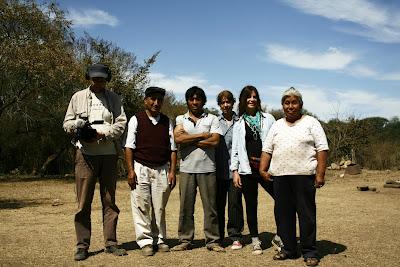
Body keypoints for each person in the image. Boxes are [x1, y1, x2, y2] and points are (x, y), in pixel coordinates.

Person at [63, 63, 128, 261]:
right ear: (89, 78)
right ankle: (82, 245)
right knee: (83, 202)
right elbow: (66, 123)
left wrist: (104, 134)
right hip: (85, 155)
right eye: (95, 78)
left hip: (108, 154)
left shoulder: (114, 98)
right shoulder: (78, 97)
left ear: (107, 79)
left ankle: (111, 243)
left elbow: (121, 122)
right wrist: (80, 127)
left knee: (109, 201)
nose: (98, 82)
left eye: (102, 79)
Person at [259, 87, 329, 267]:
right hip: (280, 177)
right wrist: (262, 169)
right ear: (283, 105)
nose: (290, 106)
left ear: (301, 104)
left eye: (294, 102)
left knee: (306, 214)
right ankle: (289, 249)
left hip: (304, 176)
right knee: (283, 215)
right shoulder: (277, 125)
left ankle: (310, 251)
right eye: (287, 102)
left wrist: (320, 174)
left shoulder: (311, 122)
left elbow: (322, 148)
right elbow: (267, 149)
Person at [124, 86, 177, 256]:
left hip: (162, 168)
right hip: (141, 167)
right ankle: (146, 241)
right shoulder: (136, 119)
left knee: (160, 207)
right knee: (141, 205)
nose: (156, 103)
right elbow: (129, 147)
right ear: (145, 100)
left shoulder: (167, 121)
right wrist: (131, 171)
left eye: (159, 100)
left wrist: (172, 171)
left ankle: (160, 239)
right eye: (152, 99)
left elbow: (173, 149)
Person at [171, 86, 224, 252]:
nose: (195, 102)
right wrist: (202, 135)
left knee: (211, 207)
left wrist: (189, 139)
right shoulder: (181, 118)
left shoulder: (213, 119)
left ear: (203, 101)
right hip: (187, 168)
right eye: (191, 99)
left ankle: (213, 241)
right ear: (187, 101)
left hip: (208, 167)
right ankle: (185, 240)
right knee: (186, 207)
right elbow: (178, 138)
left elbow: (215, 141)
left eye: (198, 99)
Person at [230, 85, 277, 255]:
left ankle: (281, 235)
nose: (252, 99)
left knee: (281, 198)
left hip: (266, 168)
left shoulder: (269, 118)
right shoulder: (239, 123)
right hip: (246, 169)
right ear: (243, 100)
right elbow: (235, 149)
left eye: (255, 96)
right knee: (251, 205)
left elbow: (275, 142)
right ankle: (255, 240)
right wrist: (235, 171)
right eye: (248, 97)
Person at [215, 90, 244, 250]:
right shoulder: (213, 121)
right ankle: (217, 237)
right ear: (219, 105)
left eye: (228, 102)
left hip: (235, 171)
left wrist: (237, 170)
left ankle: (235, 236)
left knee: (235, 204)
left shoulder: (239, 122)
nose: (225, 105)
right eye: (222, 102)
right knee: (218, 204)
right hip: (217, 170)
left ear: (233, 103)